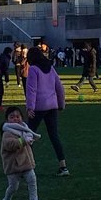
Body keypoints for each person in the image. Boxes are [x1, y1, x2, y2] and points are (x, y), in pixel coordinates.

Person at [23, 42, 70, 176]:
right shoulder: (50, 68)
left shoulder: (33, 69)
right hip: (52, 106)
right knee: (54, 136)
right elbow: (59, 87)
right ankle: (63, 166)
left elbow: (31, 89)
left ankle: (26, 166)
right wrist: (61, 104)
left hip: (38, 106)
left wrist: (30, 107)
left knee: (29, 136)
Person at [0, 105, 43, 200]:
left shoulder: (25, 129)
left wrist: (28, 139)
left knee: (32, 180)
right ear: (7, 119)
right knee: (13, 187)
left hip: (26, 163)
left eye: (18, 116)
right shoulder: (7, 133)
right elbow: (9, 145)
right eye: (12, 117)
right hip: (13, 166)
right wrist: (22, 140)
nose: (15, 119)